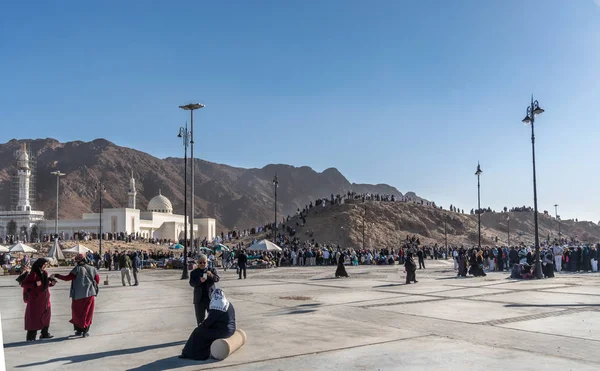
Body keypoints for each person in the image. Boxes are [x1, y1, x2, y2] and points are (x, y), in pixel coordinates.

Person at [180, 289, 236, 361]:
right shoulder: (227, 303)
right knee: (205, 331)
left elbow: (209, 321)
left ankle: (189, 353)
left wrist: (201, 326)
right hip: (231, 329)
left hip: (223, 331)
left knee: (197, 332)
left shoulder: (217, 304)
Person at [54, 254, 100, 337]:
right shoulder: (93, 269)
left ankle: (78, 330)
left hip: (78, 295)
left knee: (77, 313)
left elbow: (67, 278)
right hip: (90, 294)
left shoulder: (76, 269)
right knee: (88, 313)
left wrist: (57, 275)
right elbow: (97, 280)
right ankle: (85, 331)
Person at [22, 258, 56, 341]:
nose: (45, 266)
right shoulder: (33, 274)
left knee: (46, 317)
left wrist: (51, 283)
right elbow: (24, 284)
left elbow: (44, 284)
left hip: (45, 300)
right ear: (39, 265)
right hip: (35, 301)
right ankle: (31, 337)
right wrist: (34, 284)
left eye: (46, 264)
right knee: (34, 318)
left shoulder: (45, 273)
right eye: (44, 264)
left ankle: (44, 333)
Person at [189, 254, 220, 326]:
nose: (202, 264)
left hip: (211, 299)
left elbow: (217, 279)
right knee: (200, 320)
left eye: (204, 262)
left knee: (213, 318)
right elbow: (192, 283)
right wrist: (199, 281)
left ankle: (212, 334)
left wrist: (211, 275)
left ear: (207, 262)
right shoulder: (194, 273)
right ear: (197, 263)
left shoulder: (212, 270)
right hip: (199, 300)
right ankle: (201, 334)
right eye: (200, 262)